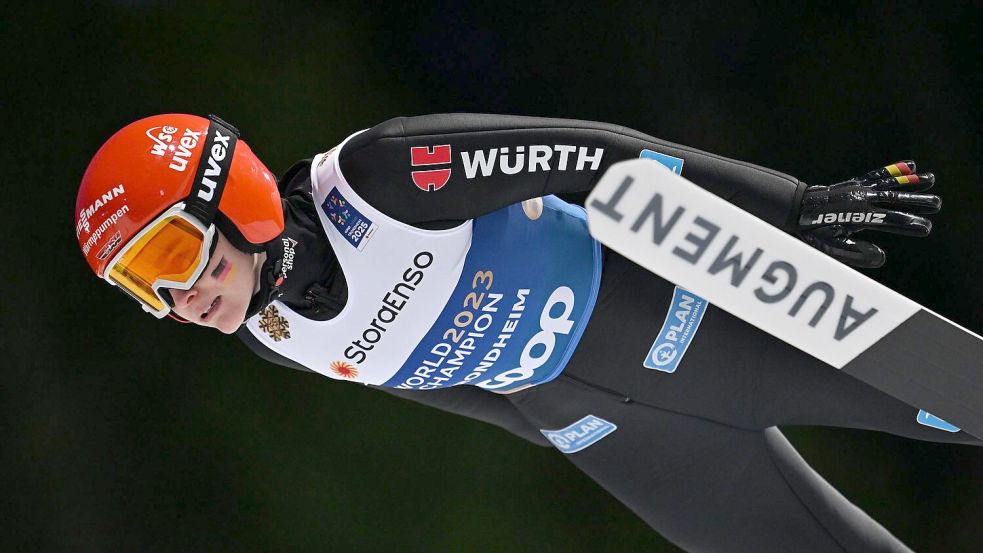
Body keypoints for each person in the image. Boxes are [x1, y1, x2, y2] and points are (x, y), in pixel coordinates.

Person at [76, 113, 977, 552]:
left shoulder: (384, 176)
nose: (176, 296)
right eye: (141, 284)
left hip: (700, 318)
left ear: (226, 197)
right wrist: (569, 428)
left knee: (964, 396)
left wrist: (786, 208)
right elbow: (466, 394)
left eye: (172, 252)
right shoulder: (268, 332)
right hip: (629, 440)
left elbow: (598, 158)